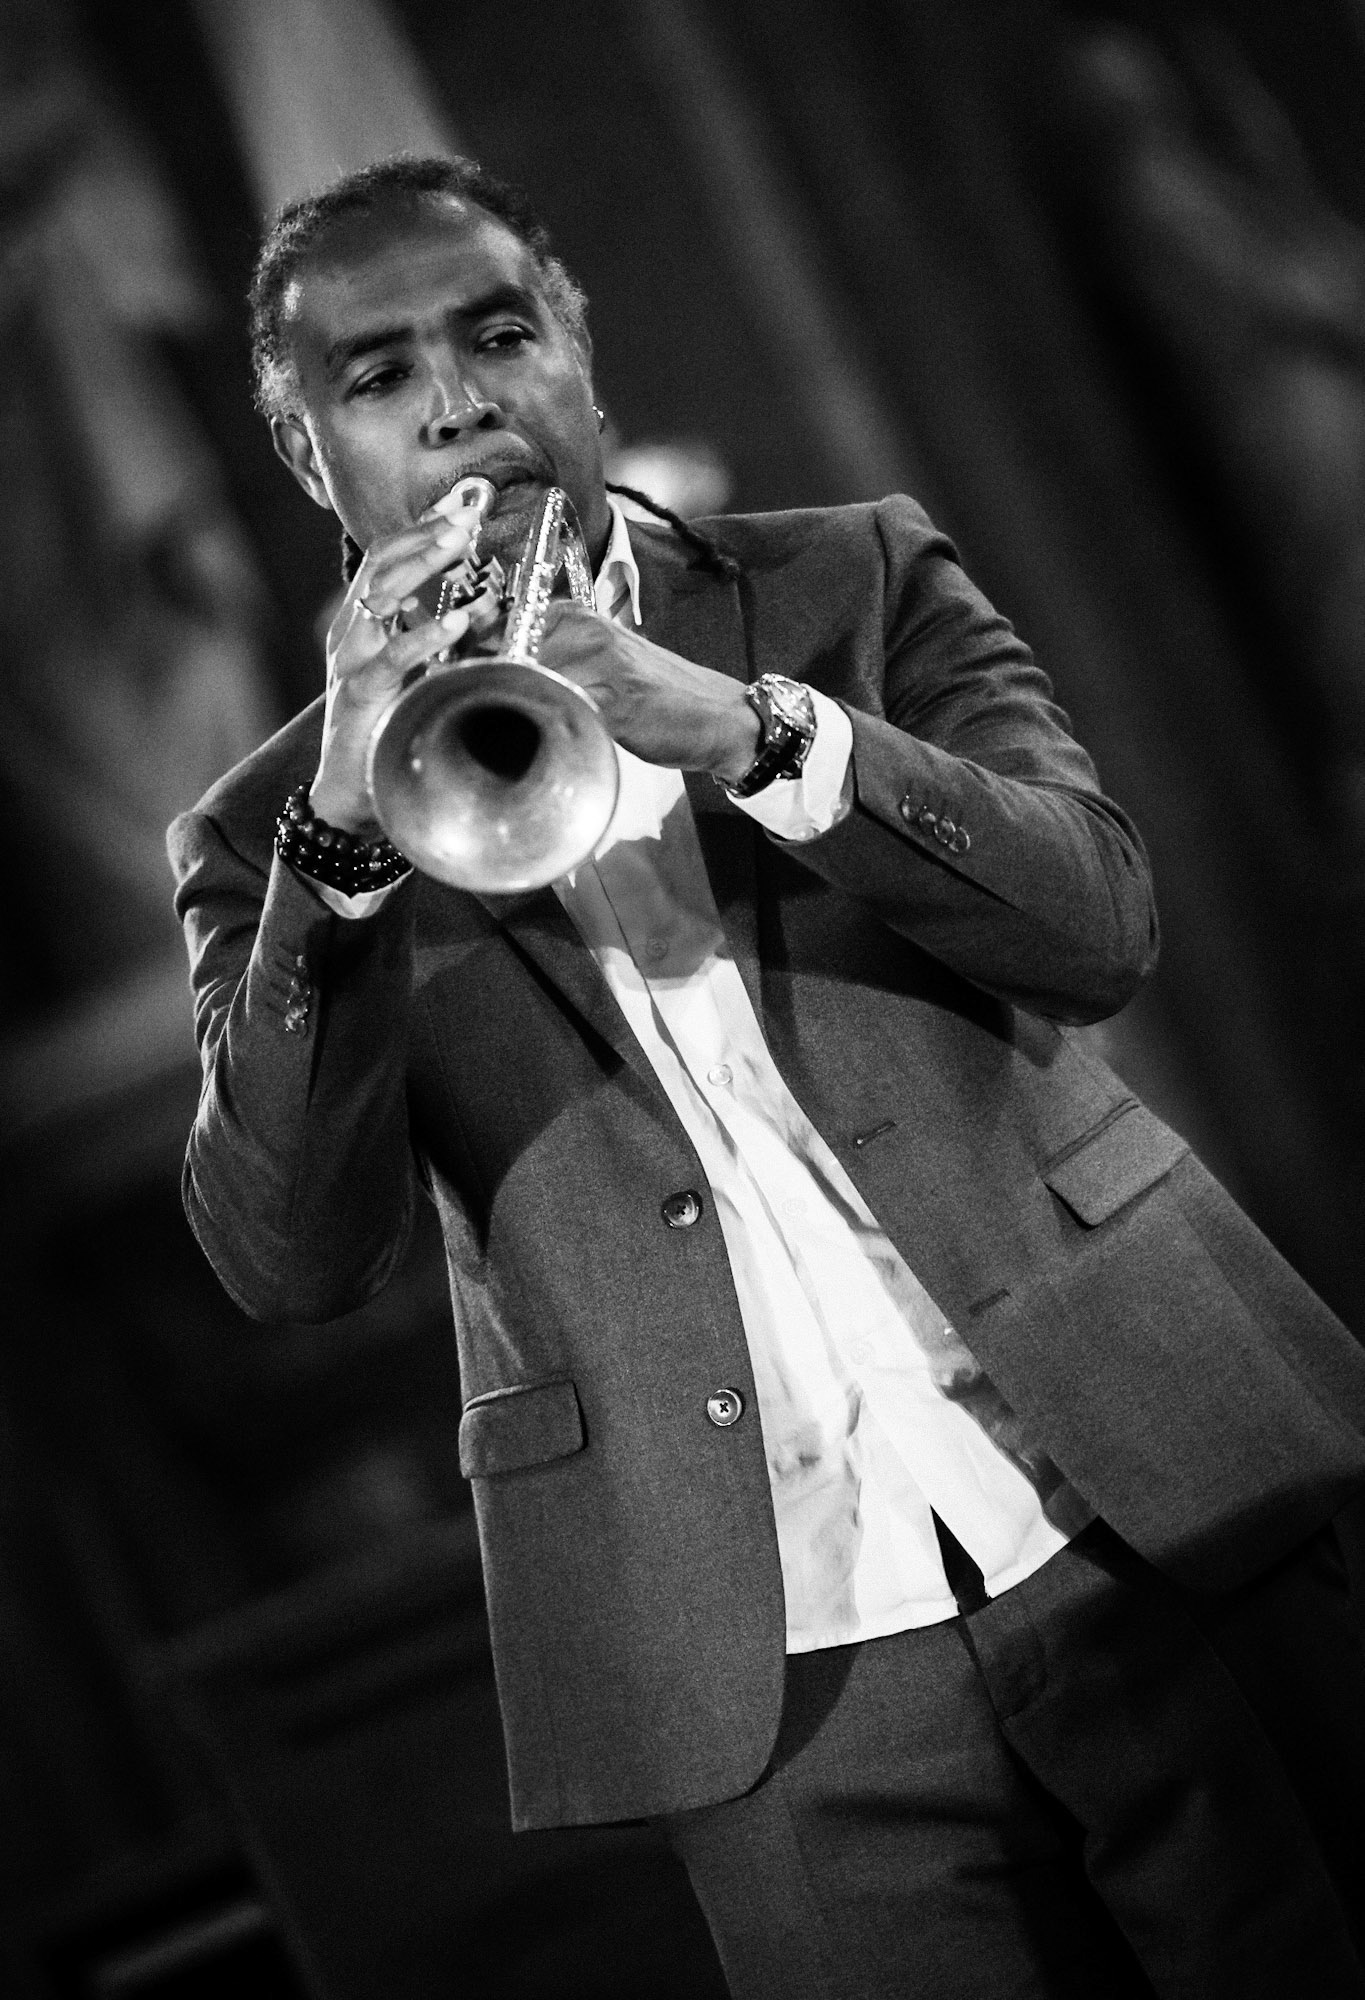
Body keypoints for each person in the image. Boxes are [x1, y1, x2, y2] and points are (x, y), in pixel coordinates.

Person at [169, 153, 1365, 2000]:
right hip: (773, 1673)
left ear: (580, 351)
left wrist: (749, 730)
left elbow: (1100, 926)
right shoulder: (267, 834)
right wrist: (342, 848)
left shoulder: (849, 576)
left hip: (1151, 1507)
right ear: (306, 454)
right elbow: (287, 1261)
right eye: (379, 376)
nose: (461, 399)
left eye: (500, 334)